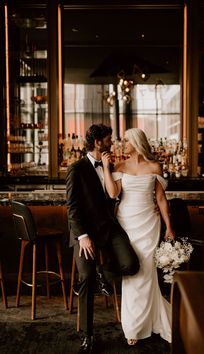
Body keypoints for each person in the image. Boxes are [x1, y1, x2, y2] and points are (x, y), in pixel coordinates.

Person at [66, 124, 139, 354]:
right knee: (86, 276)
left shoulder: (111, 164)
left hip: (109, 228)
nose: (112, 142)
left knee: (131, 264)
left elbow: (117, 193)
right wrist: (83, 237)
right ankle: (88, 335)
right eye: (109, 139)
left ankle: (103, 275)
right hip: (85, 233)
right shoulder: (76, 169)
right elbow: (72, 208)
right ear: (98, 142)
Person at [101, 127, 175, 345]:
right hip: (127, 223)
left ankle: (151, 321)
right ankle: (133, 326)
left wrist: (169, 227)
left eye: (126, 141)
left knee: (147, 271)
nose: (122, 144)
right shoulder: (120, 165)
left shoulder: (154, 166)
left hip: (150, 224)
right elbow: (113, 193)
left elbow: (161, 199)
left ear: (136, 142)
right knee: (132, 272)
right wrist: (106, 167)